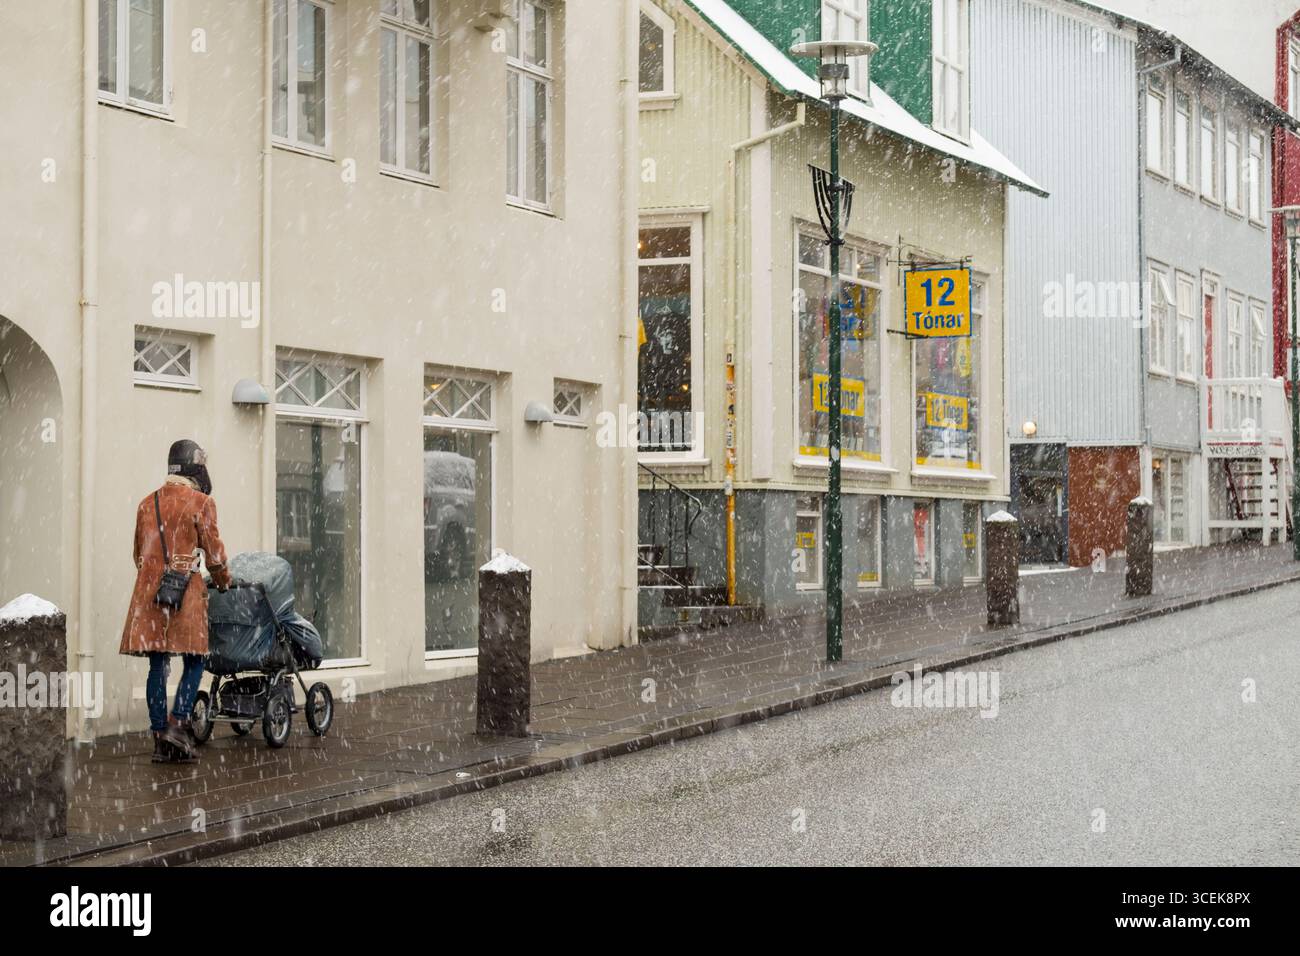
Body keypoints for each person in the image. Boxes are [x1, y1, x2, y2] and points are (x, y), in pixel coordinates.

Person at [120, 440, 231, 763]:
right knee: (195, 660)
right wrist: (224, 580)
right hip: (185, 594)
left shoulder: (146, 503)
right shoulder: (202, 502)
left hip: (151, 594)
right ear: (195, 468)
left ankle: (159, 738)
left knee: (158, 663)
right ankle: (178, 725)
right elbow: (214, 555)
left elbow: (138, 554)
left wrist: (155, 573)